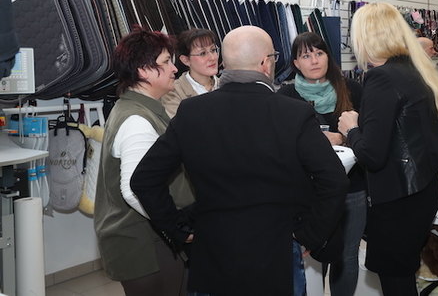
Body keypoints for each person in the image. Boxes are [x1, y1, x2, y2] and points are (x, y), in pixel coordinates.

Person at [131, 26, 349, 296]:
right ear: (266, 63)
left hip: (213, 252)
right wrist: (311, 235)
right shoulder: (294, 113)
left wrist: (177, 229)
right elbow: (335, 180)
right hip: (277, 253)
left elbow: (144, 179)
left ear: (225, 63)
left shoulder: (192, 112)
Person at [337, 3, 438, 296]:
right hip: (420, 190)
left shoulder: (381, 77)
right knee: (403, 276)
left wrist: (351, 129)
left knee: (396, 281)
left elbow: (371, 154)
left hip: (399, 197)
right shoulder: (415, 70)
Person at [94, 26, 194, 296]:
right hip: (146, 243)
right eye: (166, 62)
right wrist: (176, 228)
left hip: (150, 238)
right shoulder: (137, 120)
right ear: (143, 71)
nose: (174, 68)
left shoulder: (136, 109)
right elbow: (134, 189)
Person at [278, 31, 364, 296]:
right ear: (295, 63)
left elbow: (371, 137)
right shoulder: (286, 96)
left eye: (319, 53)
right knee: (312, 255)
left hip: (352, 186)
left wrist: (343, 138)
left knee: (347, 255)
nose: (314, 60)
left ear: (328, 56)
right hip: (308, 191)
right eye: (306, 56)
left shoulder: (353, 89)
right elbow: (280, 144)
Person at [161, 28, 219, 118]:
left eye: (213, 50)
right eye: (203, 53)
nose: (212, 58)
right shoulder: (173, 92)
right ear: (185, 60)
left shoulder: (227, 84)